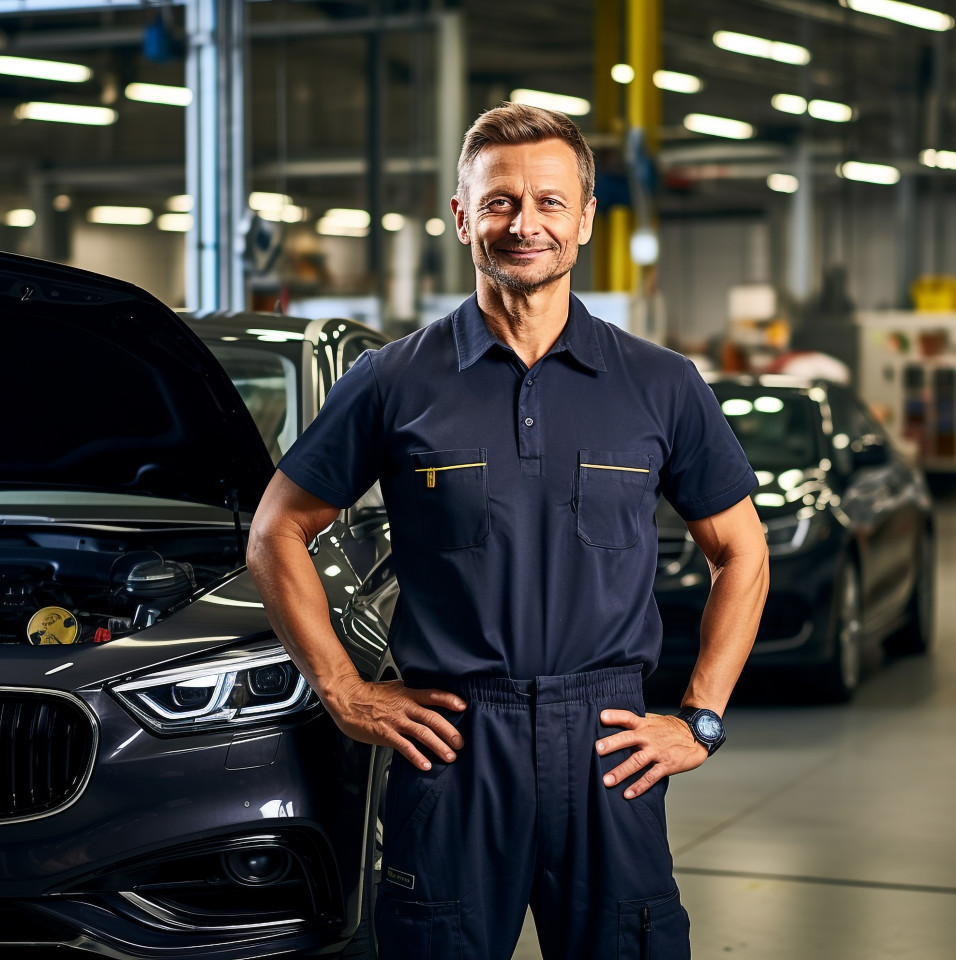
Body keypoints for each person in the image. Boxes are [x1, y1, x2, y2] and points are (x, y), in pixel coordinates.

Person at [246, 102, 769, 960]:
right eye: (498, 202)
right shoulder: (393, 381)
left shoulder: (661, 384)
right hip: (453, 747)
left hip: (608, 746)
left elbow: (742, 552)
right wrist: (342, 691)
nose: (524, 224)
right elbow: (276, 532)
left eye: (550, 202)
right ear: (461, 217)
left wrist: (701, 717)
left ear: (586, 218)